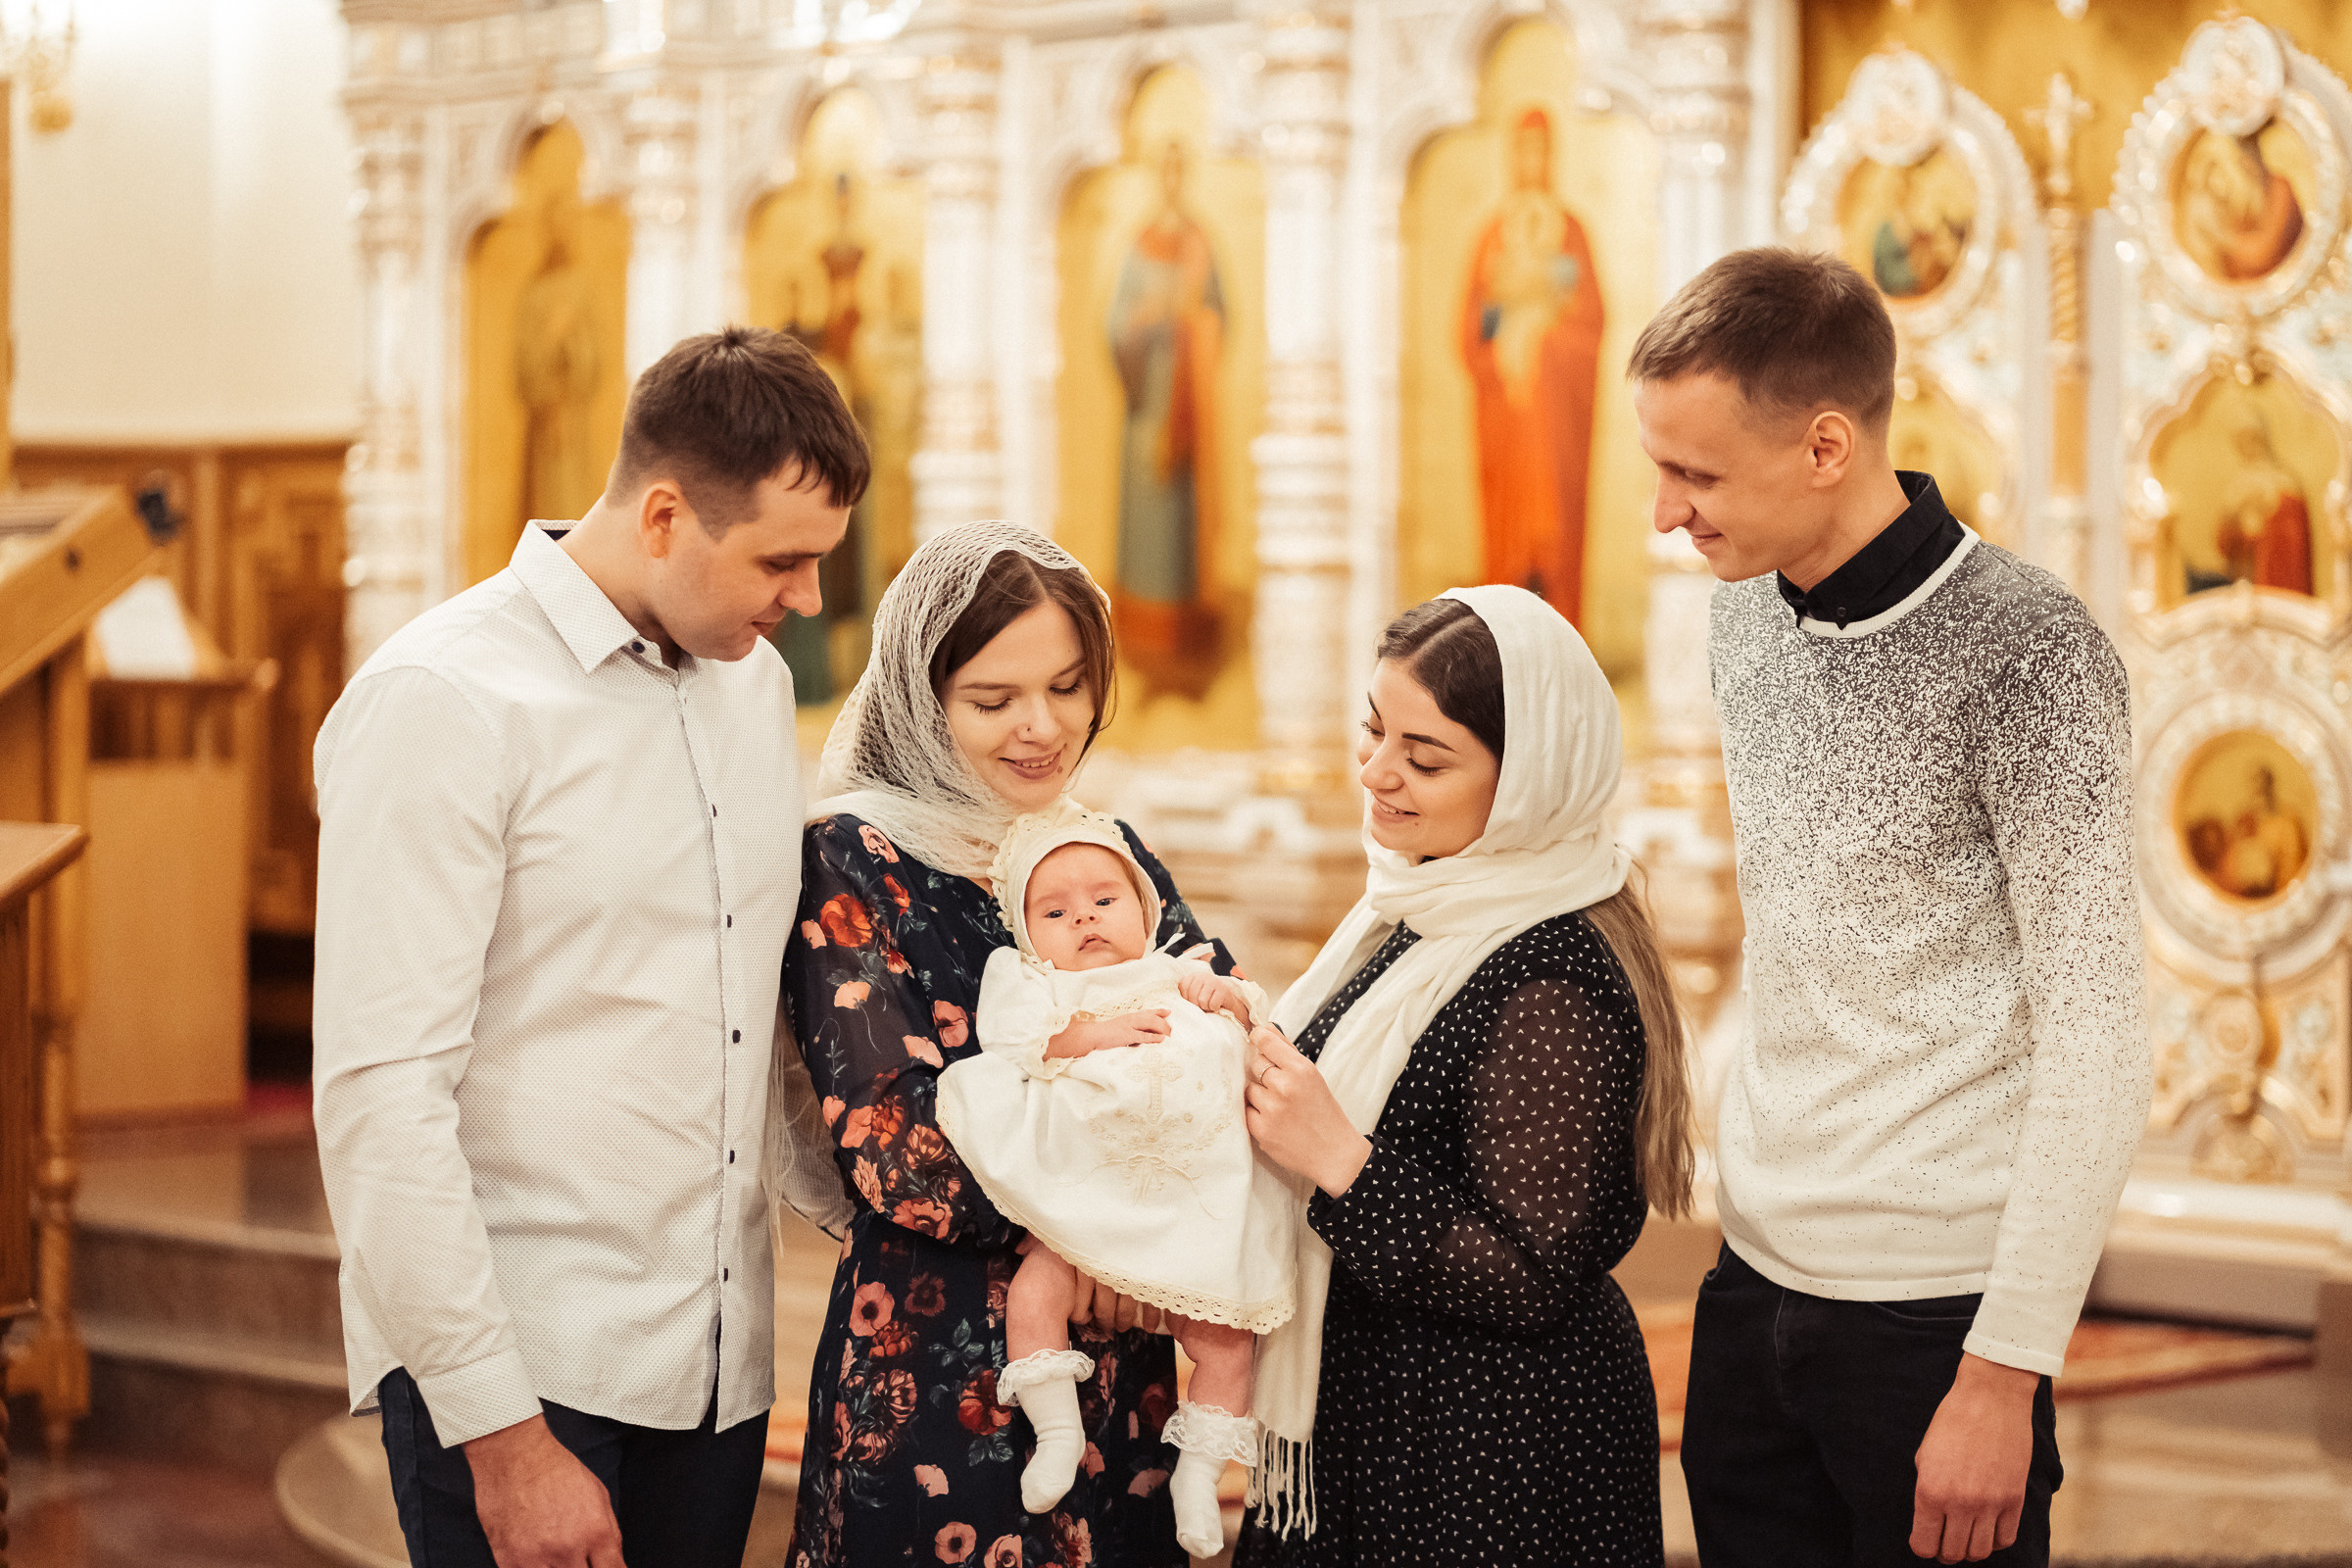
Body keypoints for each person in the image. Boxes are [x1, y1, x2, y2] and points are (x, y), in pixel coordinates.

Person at [313, 325, 868, 1567]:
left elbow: (757, 1012)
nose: (811, 601)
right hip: (523, 1365)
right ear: (664, 513)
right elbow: (378, 1098)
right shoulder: (444, 700)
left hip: (717, 1365)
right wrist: (503, 1437)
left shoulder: (752, 689)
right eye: (783, 560)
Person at [1628, 247, 2151, 1567]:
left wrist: (2005, 1372)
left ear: (1822, 446)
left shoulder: (2032, 652)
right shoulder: (1740, 616)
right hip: (1751, 1288)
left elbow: (2098, 1029)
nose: (1665, 512)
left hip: (1938, 1319)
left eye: (1696, 475)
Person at [786, 521, 1244, 1568]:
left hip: (1124, 1352)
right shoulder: (858, 856)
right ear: (920, 695)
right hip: (945, 1358)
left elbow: (1211, 1029)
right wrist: (1121, 1219)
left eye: (1070, 686)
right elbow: (894, 1143)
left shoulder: (1098, 847)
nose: (1043, 726)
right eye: (993, 701)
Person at [1232, 586, 1695, 1567]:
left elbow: (1530, 1276)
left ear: (1525, 778)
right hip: (1380, 1421)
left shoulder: (1552, 971)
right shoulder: (1416, 909)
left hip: (1488, 1454)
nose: (1377, 772)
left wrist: (1339, 1159)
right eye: (1374, 730)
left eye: (1424, 754)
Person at [936, 806, 1295, 1557]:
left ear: (1145, 908)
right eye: (1056, 911)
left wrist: (1225, 1000)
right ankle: (1058, 1432)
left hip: (1188, 1202)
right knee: (1039, 1290)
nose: (1086, 920)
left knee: (1229, 1338)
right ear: (1028, 934)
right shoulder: (1037, 982)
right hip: (1089, 1200)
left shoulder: (1174, 970)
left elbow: (1248, 1013)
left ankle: (1200, 1471)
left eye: (1105, 900)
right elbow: (1010, 1039)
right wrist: (1087, 1034)